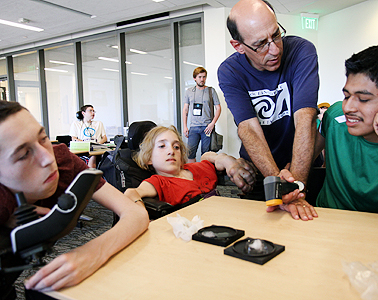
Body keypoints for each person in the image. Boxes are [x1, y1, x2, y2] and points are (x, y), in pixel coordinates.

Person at [0, 101, 149, 291]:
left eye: (43, 138)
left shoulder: (62, 161)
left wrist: (91, 253)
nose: (47, 158)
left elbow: (135, 213)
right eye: (23, 154)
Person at [217, 0, 319, 221]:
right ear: (239, 46)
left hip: (301, 167)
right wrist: (278, 186)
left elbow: (306, 119)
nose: (274, 49)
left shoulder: (302, 51)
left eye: (276, 35)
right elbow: (248, 129)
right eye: (261, 44)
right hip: (262, 172)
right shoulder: (230, 71)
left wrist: (295, 189)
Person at [314, 45, 378, 215]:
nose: (348, 107)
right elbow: (299, 164)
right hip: (326, 224)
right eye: (346, 96)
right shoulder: (335, 117)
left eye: (363, 99)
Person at [124, 125, 256, 205]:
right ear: (149, 159)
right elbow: (131, 193)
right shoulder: (159, 182)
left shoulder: (195, 169)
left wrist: (226, 160)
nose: (171, 151)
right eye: (162, 146)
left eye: (176, 147)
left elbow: (207, 157)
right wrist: (143, 216)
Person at [183, 67, 221, 163]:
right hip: (193, 127)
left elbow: (218, 108)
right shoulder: (189, 92)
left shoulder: (210, 91)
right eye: (199, 77)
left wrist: (212, 123)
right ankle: (193, 174)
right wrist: (185, 126)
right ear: (194, 78)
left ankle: (207, 175)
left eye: (204, 77)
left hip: (207, 127)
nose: (202, 79)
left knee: (206, 154)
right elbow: (185, 109)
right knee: (190, 153)